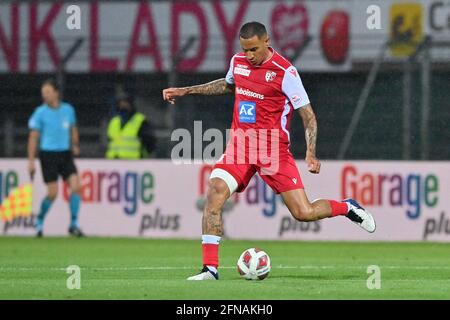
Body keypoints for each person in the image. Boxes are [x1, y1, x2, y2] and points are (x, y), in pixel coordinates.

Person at [162, 22, 376, 281]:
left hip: (273, 151)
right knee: (215, 192)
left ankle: (346, 207)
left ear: (267, 41)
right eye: (244, 49)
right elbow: (229, 85)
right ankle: (210, 269)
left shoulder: (286, 72)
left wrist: (311, 152)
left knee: (303, 213)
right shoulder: (238, 61)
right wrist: (187, 90)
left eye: (253, 49)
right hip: (240, 146)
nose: (249, 55)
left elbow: (308, 116)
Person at [28, 79, 84, 237]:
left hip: (65, 154)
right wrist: (31, 162)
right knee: (52, 193)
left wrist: (75, 144)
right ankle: (39, 220)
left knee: (76, 186)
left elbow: (73, 129)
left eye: (47, 92)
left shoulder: (68, 110)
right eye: (43, 93)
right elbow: (33, 137)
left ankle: (73, 224)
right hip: (48, 155)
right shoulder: (40, 113)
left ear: (56, 92)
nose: (44, 96)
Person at [106, 93, 156, 159]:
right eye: (121, 103)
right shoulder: (114, 121)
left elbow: (150, 141)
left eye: (125, 102)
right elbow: (110, 141)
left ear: (131, 104)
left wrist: (142, 155)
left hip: (133, 161)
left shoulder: (140, 120)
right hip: (114, 161)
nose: (123, 105)